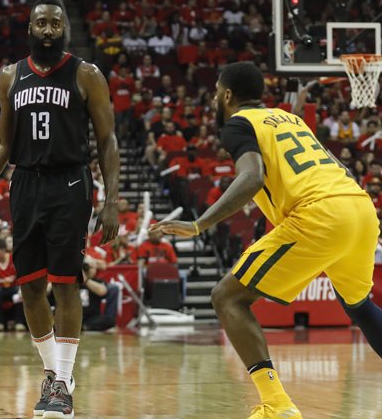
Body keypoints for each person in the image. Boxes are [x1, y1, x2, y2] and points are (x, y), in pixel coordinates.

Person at [150, 61, 382, 419]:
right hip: (360, 207)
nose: (214, 99)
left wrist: (199, 224)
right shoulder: (290, 119)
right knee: (358, 304)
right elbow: (344, 168)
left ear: (227, 95)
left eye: (216, 93)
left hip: (320, 214)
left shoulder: (238, 124)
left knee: (227, 297)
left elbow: (252, 177)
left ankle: (277, 404)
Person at [0, 0, 120, 419]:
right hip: (25, 183)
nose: (47, 30)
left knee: (65, 283)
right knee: (29, 285)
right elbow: (2, 143)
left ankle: (62, 380)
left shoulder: (86, 74)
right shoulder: (10, 76)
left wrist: (112, 200)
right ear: (29, 28)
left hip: (70, 182)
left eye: (55, 24)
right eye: (41, 23)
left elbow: (107, 140)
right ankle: (52, 373)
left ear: (64, 29)